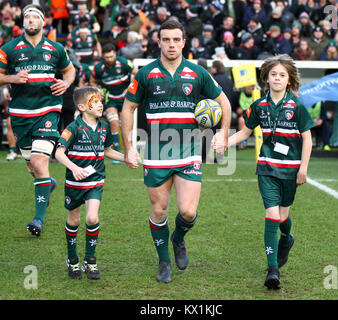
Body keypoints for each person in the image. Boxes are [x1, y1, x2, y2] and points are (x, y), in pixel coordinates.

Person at [121, 19, 231, 283]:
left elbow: (224, 103)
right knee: (159, 211)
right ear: (158, 42)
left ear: (184, 42)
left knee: (188, 212)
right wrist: (128, 148)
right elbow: (127, 108)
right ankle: (163, 262)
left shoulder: (197, 73)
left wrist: (223, 134)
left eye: (176, 40)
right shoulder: (145, 74)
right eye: (166, 39)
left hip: (189, 150)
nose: (171, 44)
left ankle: (178, 238)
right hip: (156, 152)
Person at [219, 54, 315, 290]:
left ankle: (287, 238)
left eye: (282, 75)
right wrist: (225, 143)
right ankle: (273, 270)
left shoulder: (297, 106)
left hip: (291, 171)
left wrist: (303, 168)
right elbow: (245, 132)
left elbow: (307, 139)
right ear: (266, 78)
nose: (277, 78)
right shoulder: (259, 106)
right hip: (267, 168)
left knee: (283, 218)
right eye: (273, 74)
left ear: (289, 79)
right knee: (272, 216)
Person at [0, 4, 76, 237]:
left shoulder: (56, 48)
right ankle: (47, 183)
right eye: (27, 17)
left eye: (35, 17)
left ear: (44, 22)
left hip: (47, 111)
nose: (31, 20)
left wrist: (66, 83)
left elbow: (69, 70)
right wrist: (12, 77)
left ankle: (38, 220)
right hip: (21, 115)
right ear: (22, 22)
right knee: (34, 167)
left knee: (40, 161)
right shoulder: (9, 49)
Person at [55, 86, 125, 280]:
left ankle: (90, 260)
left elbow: (108, 151)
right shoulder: (73, 128)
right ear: (82, 107)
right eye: (95, 102)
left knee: (92, 218)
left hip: (95, 180)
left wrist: (126, 157)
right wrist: (74, 168)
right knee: (74, 220)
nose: (100, 104)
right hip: (74, 183)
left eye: (101, 101)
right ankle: (72, 259)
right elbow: (58, 152)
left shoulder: (104, 127)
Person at [90, 43, 137, 162]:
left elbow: (137, 74)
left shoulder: (123, 62)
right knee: (114, 122)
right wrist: (98, 91)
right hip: (109, 98)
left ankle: (129, 149)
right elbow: (93, 81)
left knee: (126, 124)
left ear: (115, 54)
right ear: (103, 57)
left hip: (125, 97)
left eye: (111, 56)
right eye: (107, 57)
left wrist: (130, 88)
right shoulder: (99, 68)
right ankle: (116, 150)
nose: (109, 59)